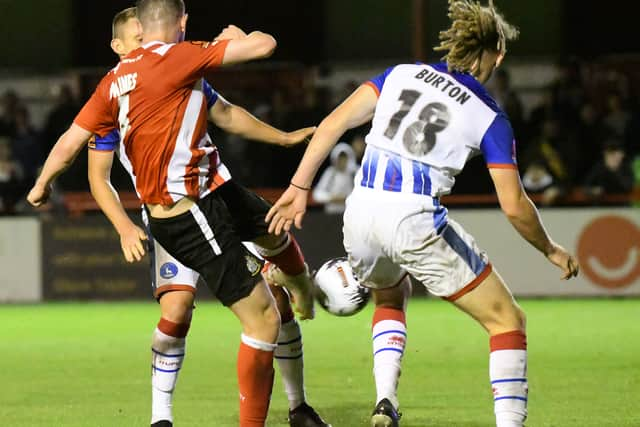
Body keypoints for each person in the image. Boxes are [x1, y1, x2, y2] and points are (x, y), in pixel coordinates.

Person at [266, 1, 579, 426]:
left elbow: (334, 122)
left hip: (360, 211)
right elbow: (513, 204)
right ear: (496, 54)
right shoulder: (489, 114)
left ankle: (385, 401)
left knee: (391, 293)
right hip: (411, 217)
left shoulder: (401, 74)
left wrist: (299, 186)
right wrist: (551, 249)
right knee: (508, 321)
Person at [26, 2, 324, 426]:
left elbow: (70, 140)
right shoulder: (177, 58)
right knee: (257, 318)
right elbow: (266, 45)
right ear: (178, 25)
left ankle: (303, 292)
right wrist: (235, 37)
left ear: (144, 33)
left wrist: (41, 184)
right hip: (184, 211)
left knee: (275, 228)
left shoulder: (112, 86)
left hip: (212, 189)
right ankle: (167, 415)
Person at [312, 143, 357, 214]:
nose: (342, 161)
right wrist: (332, 198)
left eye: (344, 158)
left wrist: (348, 198)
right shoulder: (330, 173)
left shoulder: (355, 172)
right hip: (331, 214)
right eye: (340, 158)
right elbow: (317, 195)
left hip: (350, 214)